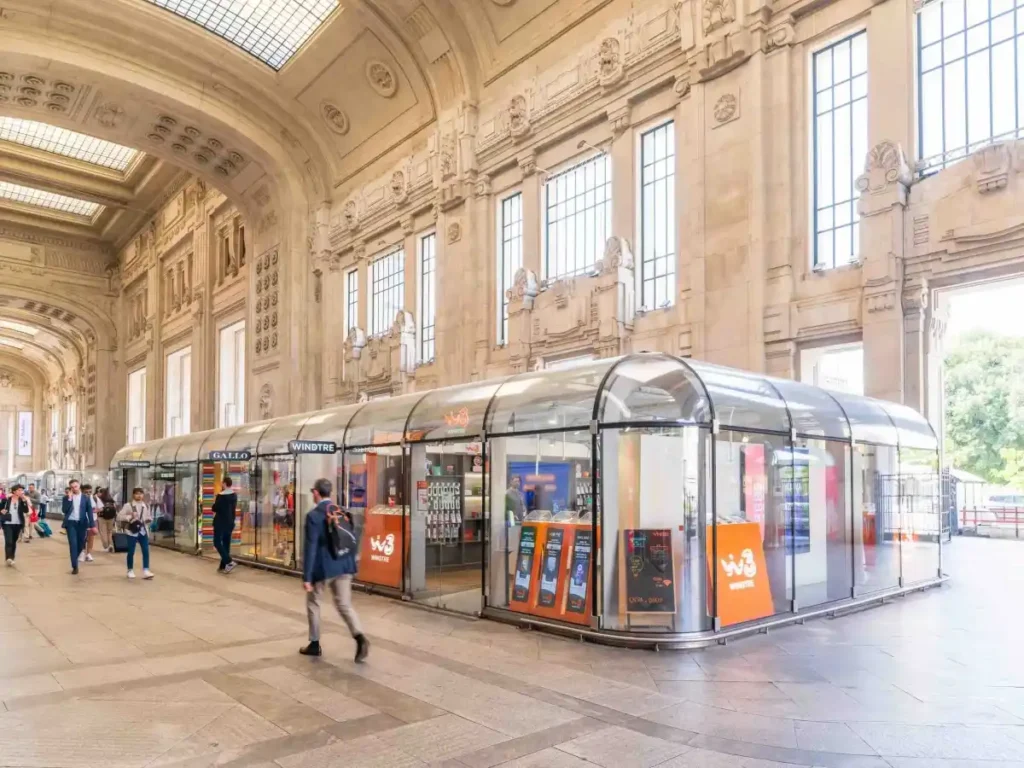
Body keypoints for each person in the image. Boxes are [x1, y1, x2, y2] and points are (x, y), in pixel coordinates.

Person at [300, 477, 368, 662]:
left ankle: (314, 644)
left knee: (314, 603)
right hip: (344, 564)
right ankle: (359, 636)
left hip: (324, 568)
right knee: (344, 604)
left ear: (316, 493)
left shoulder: (313, 516)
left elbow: (311, 548)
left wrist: (307, 577)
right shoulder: (341, 511)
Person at [119, 487, 154, 580]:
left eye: (141, 494)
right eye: (137, 494)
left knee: (146, 550)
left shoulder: (145, 505)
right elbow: (119, 516)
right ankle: (130, 570)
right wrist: (129, 517)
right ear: (133, 495)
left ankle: (146, 570)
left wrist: (148, 520)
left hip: (143, 531)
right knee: (131, 551)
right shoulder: (128, 505)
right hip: (131, 531)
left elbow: (148, 516)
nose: (139, 495)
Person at [62, 479, 94, 575]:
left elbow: (89, 511)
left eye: (75, 486)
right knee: (73, 544)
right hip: (71, 523)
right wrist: (69, 499)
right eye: (72, 487)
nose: (74, 489)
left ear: (79, 486)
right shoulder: (66, 498)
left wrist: (92, 525)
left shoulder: (86, 498)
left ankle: (76, 555)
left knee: (80, 544)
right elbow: (64, 510)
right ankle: (75, 566)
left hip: (82, 523)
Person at [212, 476, 238, 574]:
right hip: (230, 522)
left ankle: (229, 562)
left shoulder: (221, 496)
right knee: (226, 544)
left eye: (222, 483)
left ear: (224, 484)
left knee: (217, 542)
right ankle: (223, 566)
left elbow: (215, 508)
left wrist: (215, 499)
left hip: (220, 522)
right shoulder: (234, 495)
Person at [1, 484, 29, 566]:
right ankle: (8, 558)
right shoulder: (7, 499)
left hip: (18, 524)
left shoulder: (22, 500)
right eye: (19, 490)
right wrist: (1, 510)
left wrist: (24, 501)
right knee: (8, 541)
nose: (21, 492)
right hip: (7, 524)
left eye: (22, 490)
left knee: (13, 541)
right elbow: (0, 507)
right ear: (14, 491)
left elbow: (26, 510)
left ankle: (12, 557)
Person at [96, 487, 117, 553]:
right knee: (109, 532)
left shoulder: (100, 499)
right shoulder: (111, 499)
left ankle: (106, 546)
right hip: (111, 517)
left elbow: (99, 509)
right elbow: (115, 508)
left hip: (102, 517)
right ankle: (110, 545)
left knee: (103, 532)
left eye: (99, 492)